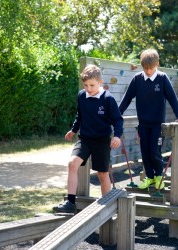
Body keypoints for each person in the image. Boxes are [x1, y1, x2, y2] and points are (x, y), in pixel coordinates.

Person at [53, 64, 123, 213]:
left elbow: (118, 120)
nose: (89, 89)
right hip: (84, 139)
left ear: (100, 83)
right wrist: (73, 130)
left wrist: (116, 136)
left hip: (102, 141)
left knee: (102, 174)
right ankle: (70, 202)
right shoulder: (81, 96)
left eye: (92, 85)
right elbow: (80, 115)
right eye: (86, 85)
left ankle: (107, 207)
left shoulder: (108, 99)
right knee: (72, 164)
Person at [119, 48, 178, 190]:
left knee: (155, 150)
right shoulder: (137, 79)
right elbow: (127, 98)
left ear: (157, 64)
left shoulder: (162, 78)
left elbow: (172, 98)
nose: (148, 71)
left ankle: (159, 176)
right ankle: (149, 177)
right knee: (145, 151)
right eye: (145, 68)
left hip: (157, 125)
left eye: (151, 68)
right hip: (143, 124)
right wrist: (117, 114)